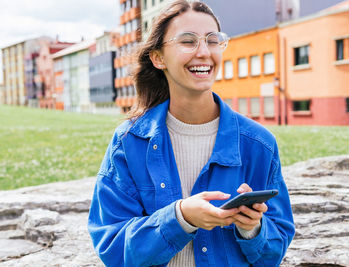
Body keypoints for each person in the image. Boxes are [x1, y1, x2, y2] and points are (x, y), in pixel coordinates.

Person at [87, 0, 295, 266]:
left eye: (212, 40)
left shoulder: (259, 144)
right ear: (158, 57)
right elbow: (112, 247)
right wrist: (180, 218)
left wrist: (252, 228)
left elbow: (275, 251)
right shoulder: (128, 143)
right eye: (188, 41)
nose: (203, 52)